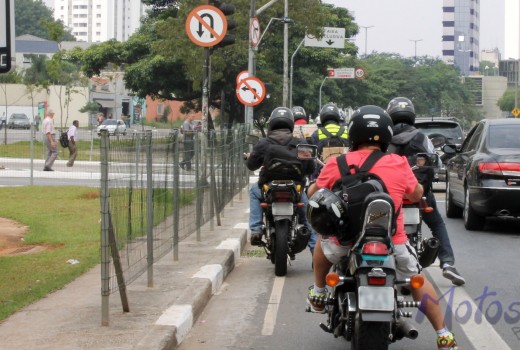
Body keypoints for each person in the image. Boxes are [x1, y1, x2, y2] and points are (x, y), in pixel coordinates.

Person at [306, 105, 458, 350]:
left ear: (353, 135)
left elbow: (314, 192)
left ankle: (318, 292)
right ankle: (444, 335)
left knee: (322, 245)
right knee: (417, 279)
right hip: (392, 243)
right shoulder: (398, 163)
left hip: (346, 242)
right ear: (387, 136)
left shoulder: (337, 163)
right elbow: (417, 193)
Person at [386, 97, 465, 286]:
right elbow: (435, 163)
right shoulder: (421, 137)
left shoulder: (383, 137)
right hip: (418, 193)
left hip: (391, 195)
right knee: (437, 224)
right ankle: (447, 264)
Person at [245, 107, 317, 250]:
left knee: (254, 192)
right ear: (291, 124)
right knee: (308, 219)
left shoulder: (263, 144)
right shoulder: (300, 143)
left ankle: (256, 229)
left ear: (271, 124)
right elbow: (310, 169)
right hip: (295, 189)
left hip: (268, 188)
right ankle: (315, 250)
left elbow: (252, 166)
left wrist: (250, 157)